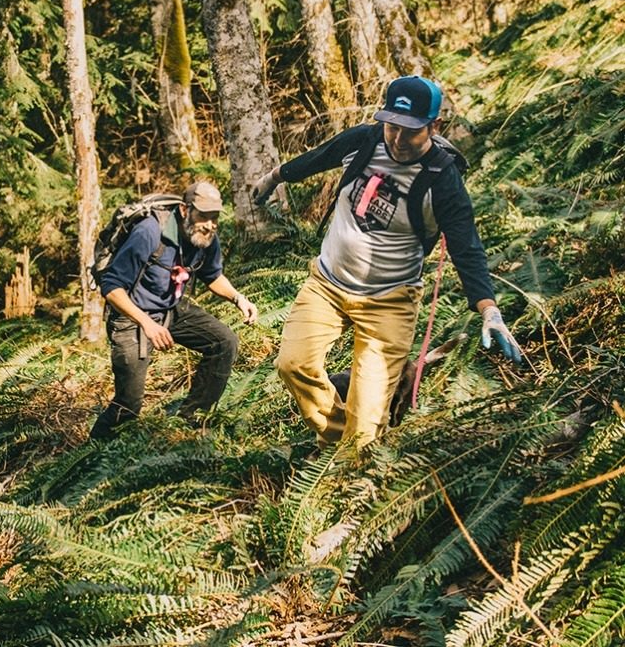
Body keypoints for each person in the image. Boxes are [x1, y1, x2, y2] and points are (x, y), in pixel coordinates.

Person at [252, 75, 521, 450]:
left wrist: (489, 309)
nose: (397, 139)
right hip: (327, 286)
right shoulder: (365, 141)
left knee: (366, 425)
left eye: (410, 131)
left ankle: (354, 460)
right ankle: (343, 443)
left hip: (388, 303)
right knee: (293, 365)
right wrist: (274, 177)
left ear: (434, 126)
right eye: (392, 126)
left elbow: (466, 247)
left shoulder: (442, 180)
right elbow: (320, 156)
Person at [90, 180, 257, 440]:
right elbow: (112, 287)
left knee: (224, 342)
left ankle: (190, 423)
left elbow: (213, 277)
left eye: (215, 218)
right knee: (129, 406)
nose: (210, 224)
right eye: (204, 216)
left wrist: (238, 298)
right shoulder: (149, 232)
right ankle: (91, 454)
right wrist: (147, 324)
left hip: (170, 308)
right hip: (131, 317)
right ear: (184, 210)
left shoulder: (206, 237)